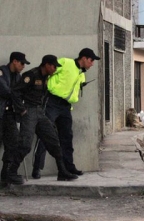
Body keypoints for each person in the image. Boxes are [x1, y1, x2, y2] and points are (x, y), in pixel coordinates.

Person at [7, 55, 78, 185]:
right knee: (25, 144)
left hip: (39, 112)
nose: (55, 68)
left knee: (53, 140)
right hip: (29, 111)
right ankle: (11, 173)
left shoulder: (47, 77)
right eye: (53, 66)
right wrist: (21, 110)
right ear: (46, 65)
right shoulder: (31, 75)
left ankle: (62, 171)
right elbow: (15, 92)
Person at [33, 48, 100, 179]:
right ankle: (37, 168)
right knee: (45, 135)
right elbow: (47, 72)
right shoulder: (65, 63)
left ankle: (68, 168)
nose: (92, 63)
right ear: (84, 58)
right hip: (52, 102)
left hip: (66, 107)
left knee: (67, 137)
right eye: (91, 60)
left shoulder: (82, 74)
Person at [0, 52, 29, 184]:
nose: (23, 66)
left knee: (13, 143)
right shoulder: (1, 72)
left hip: (10, 115)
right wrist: (16, 95)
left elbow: (21, 94)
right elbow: (5, 90)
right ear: (15, 61)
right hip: (1, 113)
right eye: (22, 63)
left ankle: (6, 173)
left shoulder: (18, 78)